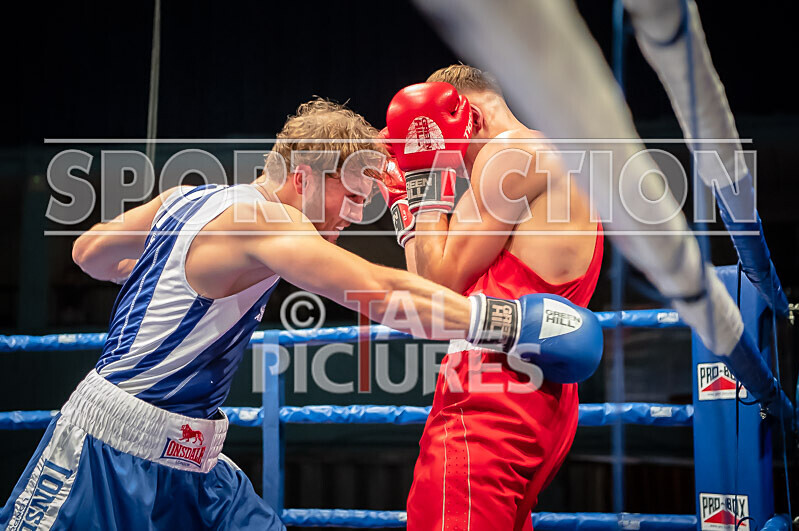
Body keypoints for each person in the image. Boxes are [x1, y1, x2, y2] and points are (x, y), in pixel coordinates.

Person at [1, 98, 602, 530]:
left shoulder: (188, 197)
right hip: (107, 451)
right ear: (304, 175)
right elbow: (375, 289)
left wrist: (162, 276)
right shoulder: (268, 222)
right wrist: (508, 324)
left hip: (193, 457)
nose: (351, 217)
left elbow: (90, 251)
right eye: (351, 195)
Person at [383, 67, 604, 530]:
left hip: (492, 399)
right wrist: (406, 198)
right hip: (533, 394)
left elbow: (437, 289)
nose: (458, 165)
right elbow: (429, 293)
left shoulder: (509, 155)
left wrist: (427, 173)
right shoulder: (542, 156)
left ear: (471, 116)